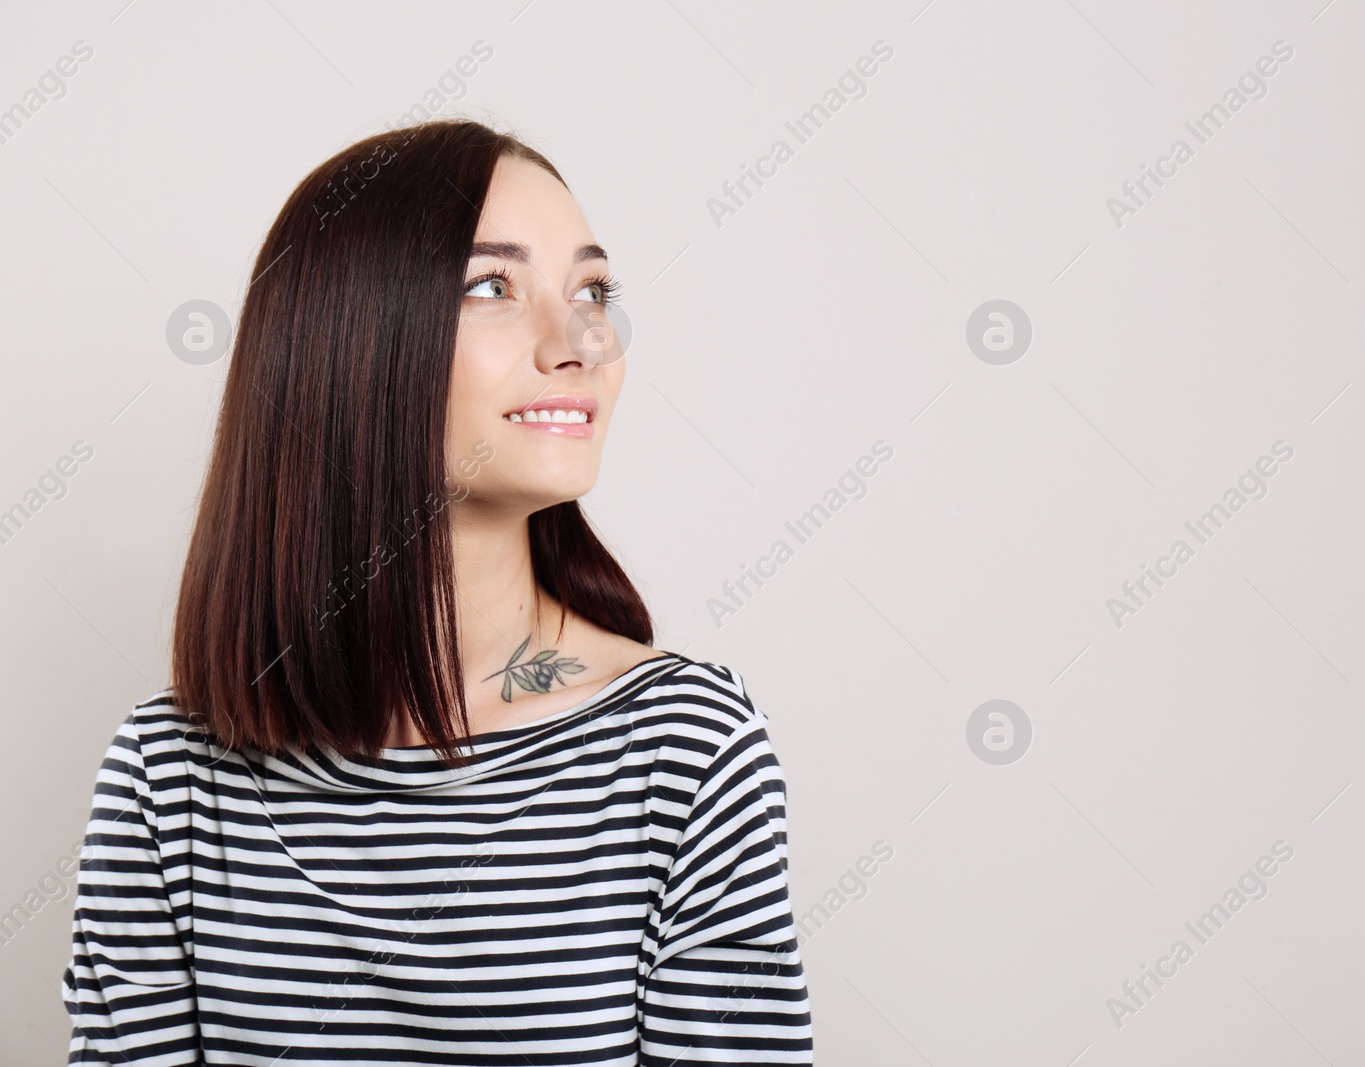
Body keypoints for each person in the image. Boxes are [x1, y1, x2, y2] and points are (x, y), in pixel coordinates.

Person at [61, 119, 813, 1065]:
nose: (580, 340)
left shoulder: (688, 756)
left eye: (592, 291)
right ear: (350, 341)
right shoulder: (168, 778)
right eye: (493, 285)